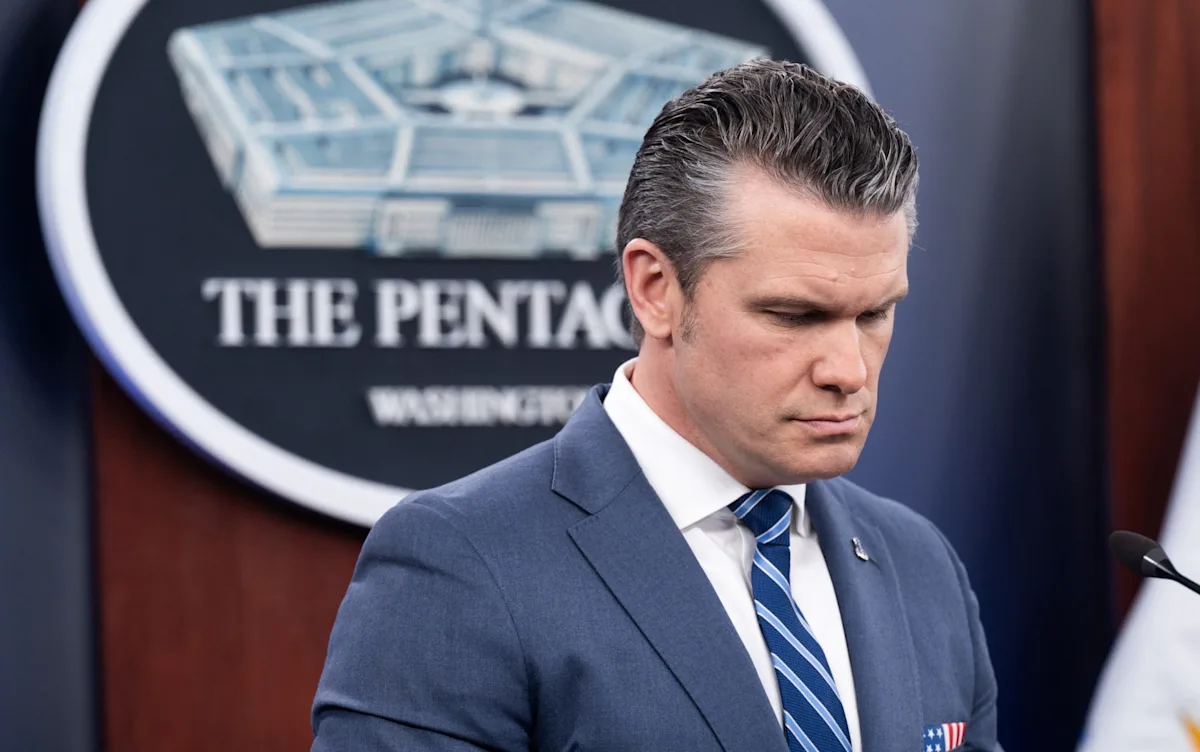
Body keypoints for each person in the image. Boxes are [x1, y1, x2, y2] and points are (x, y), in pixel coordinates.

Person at [311, 59, 1003, 752]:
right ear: (655, 289)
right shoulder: (462, 566)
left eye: (876, 312)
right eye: (794, 315)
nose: (849, 370)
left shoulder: (920, 565)